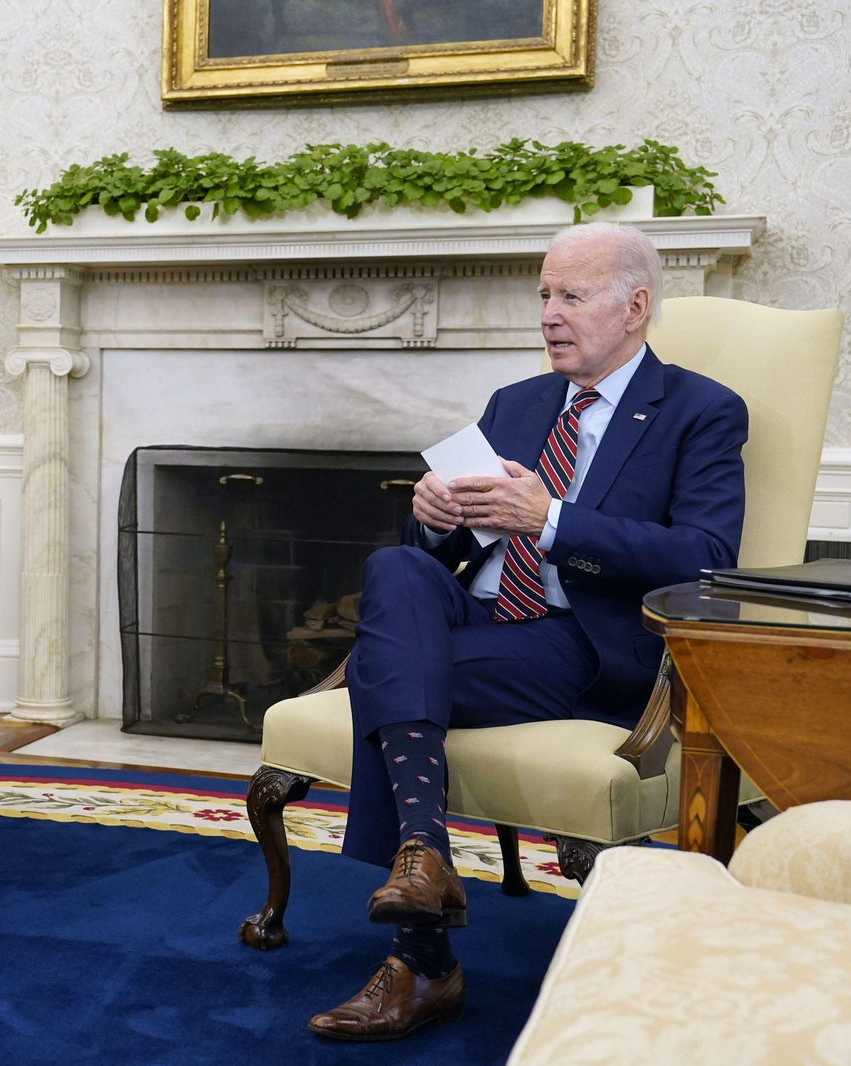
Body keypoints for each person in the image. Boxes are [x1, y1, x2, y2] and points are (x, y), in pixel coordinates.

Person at [308, 222, 748, 1041]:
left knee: (383, 671)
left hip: (588, 645)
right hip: (485, 622)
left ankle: (421, 957)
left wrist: (552, 520)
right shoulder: (516, 404)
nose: (549, 313)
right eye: (544, 294)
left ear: (635, 307)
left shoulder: (701, 411)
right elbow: (436, 559)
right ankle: (427, 864)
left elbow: (706, 558)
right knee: (395, 569)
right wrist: (435, 520)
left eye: (571, 296)